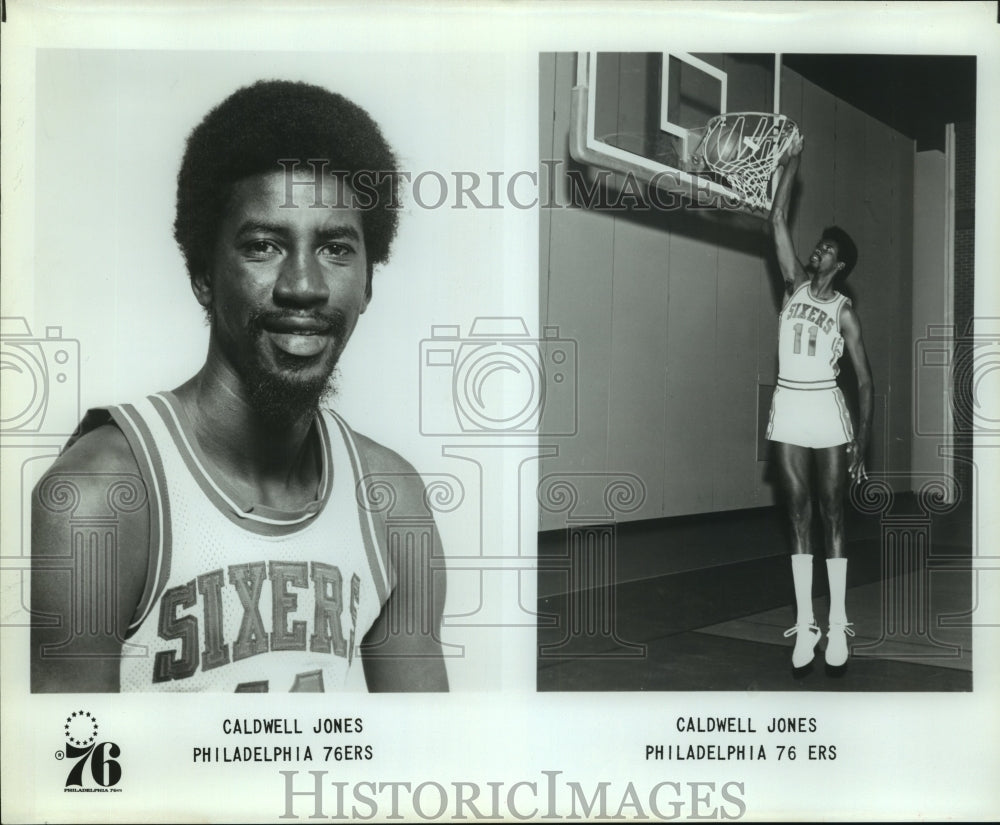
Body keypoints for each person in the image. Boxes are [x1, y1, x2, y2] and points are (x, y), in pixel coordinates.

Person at [30, 80, 448, 693]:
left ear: (368, 282)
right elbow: (74, 781)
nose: (302, 285)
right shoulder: (100, 498)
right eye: (264, 245)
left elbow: (429, 764)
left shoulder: (393, 500)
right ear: (203, 274)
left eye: (335, 247)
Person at [767, 136, 873, 678]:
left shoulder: (845, 313)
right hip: (789, 405)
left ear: (841, 261)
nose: (818, 250)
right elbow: (778, 215)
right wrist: (794, 161)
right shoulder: (792, 286)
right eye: (818, 245)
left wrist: (863, 443)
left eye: (828, 248)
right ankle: (806, 622)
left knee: (834, 512)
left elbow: (866, 382)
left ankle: (837, 623)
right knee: (797, 514)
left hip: (828, 412)